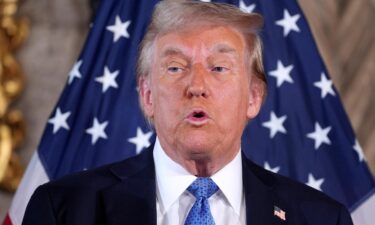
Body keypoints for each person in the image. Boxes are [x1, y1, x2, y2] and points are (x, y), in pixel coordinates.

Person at [22, 1, 354, 225]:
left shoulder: (321, 218)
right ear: (148, 95)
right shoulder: (64, 209)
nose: (196, 85)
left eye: (219, 67)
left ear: (254, 97)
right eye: (176, 67)